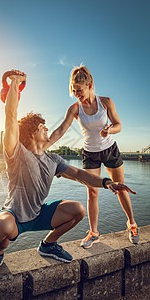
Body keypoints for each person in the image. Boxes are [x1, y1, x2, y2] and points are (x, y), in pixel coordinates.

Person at [0, 70, 136, 284]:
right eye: (41, 126)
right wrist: (15, 82)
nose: (46, 128)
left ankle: (48, 245)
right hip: (15, 216)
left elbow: (80, 175)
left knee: (78, 210)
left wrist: (107, 182)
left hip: (39, 214)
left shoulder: (53, 159)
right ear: (31, 134)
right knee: (0, 227)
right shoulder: (17, 153)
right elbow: (10, 117)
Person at [43, 65, 140, 249]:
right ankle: (94, 233)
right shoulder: (75, 109)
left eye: (79, 90)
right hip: (90, 153)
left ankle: (132, 225)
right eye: (74, 90)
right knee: (92, 191)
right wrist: (42, 147)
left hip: (110, 149)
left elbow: (119, 125)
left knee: (120, 189)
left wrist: (110, 129)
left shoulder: (106, 102)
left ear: (90, 85)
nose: (77, 94)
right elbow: (61, 130)